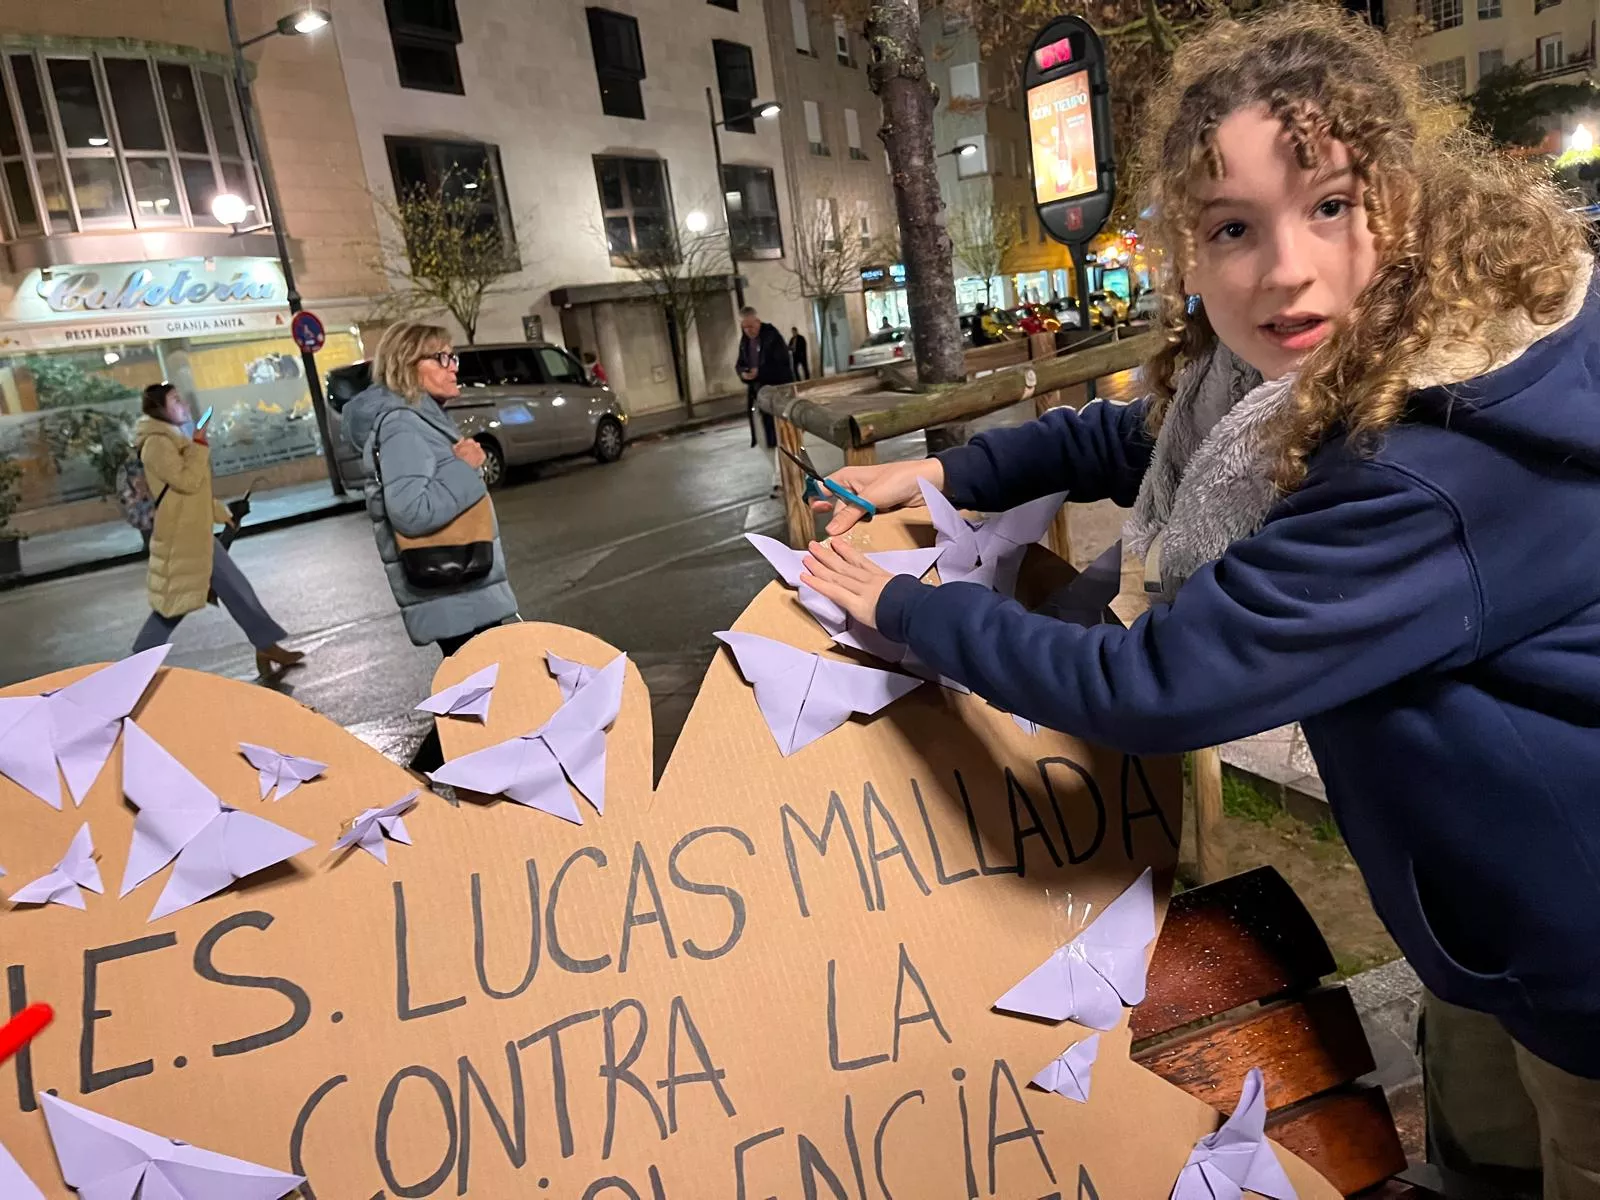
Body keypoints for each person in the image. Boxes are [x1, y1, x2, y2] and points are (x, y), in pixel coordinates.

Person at [800, 6, 1600, 1193]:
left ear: (1407, 197)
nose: (1286, 268)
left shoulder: (1428, 461)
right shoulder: (1356, 362)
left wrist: (906, 611)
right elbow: (1154, 437)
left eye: (1330, 204)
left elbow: (1155, 682)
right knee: (1477, 1163)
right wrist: (948, 472)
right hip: (1494, 927)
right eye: (1234, 226)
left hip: (1578, 950)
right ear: (1188, 246)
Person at [342, 321, 520, 773]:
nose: (453, 366)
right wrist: (467, 468)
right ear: (408, 366)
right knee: (484, 698)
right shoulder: (404, 426)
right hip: (451, 585)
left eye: (452, 356)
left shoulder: (422, 419)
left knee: (481, 699)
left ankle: (444, 793)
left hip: (463, 586)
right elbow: (411, 511)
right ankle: (417, 793)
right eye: (441, 358)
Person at [130, 382, 304, 677]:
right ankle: (135, 666)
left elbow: (191, 494)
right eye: (175, 400)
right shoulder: (157, 444)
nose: (182, 403)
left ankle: (266, 645)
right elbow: (187, 482)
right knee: (174, 604)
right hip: (181, 536)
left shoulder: (172, 439)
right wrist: (199, 443)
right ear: (160, 409)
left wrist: (220, 513)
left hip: (193, 531)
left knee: (236, 589)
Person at [736, 306, 792, 451]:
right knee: (767, 429)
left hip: (776, 388)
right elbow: (740, 363)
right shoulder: (745, 341)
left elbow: (782, 362)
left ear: (758, 322)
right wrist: (743, 373)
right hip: (758, 389)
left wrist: (760, 372)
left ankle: (785, 453)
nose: (748, 330)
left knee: (782, 429)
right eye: (745, 327)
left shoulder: (772, 336)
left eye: (751, 326)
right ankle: (774, 450)